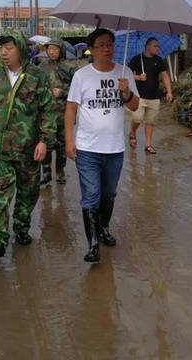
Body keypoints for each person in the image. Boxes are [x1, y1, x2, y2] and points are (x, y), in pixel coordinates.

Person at [0, 35, 56, 257]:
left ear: (20, 49)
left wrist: (43, 141)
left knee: (28, 193)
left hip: (28, 148)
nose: (3, 52)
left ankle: (21, 228)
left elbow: (48, 110)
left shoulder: (37, 76)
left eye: (8, 48)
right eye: (0, 48)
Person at [65, 29, 139, 263]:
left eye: (110, 44)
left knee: (108, 194)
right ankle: (93, 244)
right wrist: (69, 139)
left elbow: (135, 107)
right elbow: (71, 109)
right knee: (91, 195)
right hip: (87, 148)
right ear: (92, 49)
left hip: (115, 149)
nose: (107, 48)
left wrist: (126, 92)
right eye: (101, 45)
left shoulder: (125, 73)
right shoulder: (81, 76)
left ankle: (104, 228)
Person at [39, 38, 77, 186]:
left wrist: (62, 91)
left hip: (64, 112)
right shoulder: (42, 66)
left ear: (61, 50)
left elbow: (79, 88)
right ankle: (46, 172)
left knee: (62, 144)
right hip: (46, 113)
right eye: (49, 49)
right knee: (46, 142)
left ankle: (60, 170)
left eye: (55, 49)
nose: (51, 51)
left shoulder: (70, 67)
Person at [127, 37, 174, 154]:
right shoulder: (136, 59)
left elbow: (164, 76)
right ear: (147, 47)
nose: (158, 48)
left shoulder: (159, 60)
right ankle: (132, 132)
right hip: (139, 96)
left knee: (150, 121)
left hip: (154, 96)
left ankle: (148, 145)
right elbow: (127, 75)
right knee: (137, 118)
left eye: (158, 46)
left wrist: (169, 91)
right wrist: (138, 77)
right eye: (155, 46)